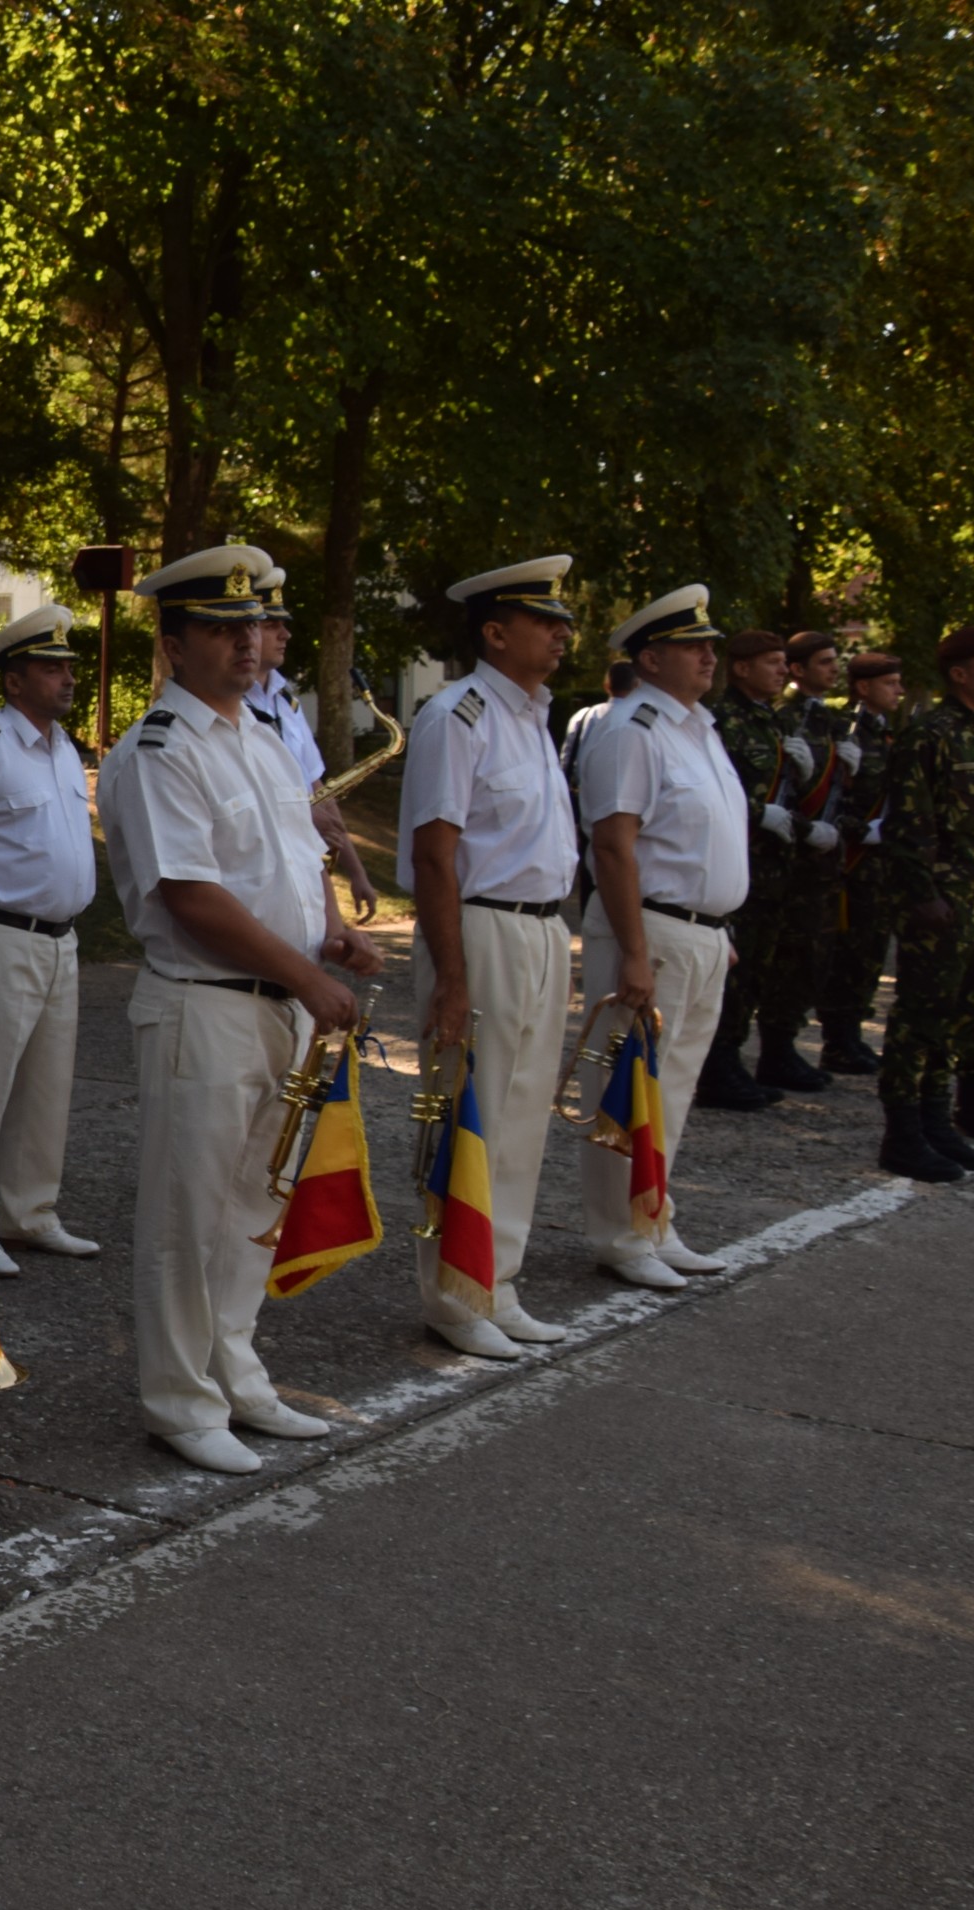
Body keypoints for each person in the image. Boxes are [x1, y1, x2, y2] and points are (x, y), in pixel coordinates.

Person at [96, 545, 381, 1477]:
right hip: (205, 1006)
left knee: (255, 1201)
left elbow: (295, 865)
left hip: (282, 1002)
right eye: (221, 629)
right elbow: (193, 897)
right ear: (174, 645)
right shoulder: (157, 750)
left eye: (254, 625)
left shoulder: (264, 735)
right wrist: (306, 978)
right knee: (191, 1211)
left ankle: (236, 1374)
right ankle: (180, 1400)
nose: (248, 643)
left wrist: (332, 933)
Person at [398, 557, 583, 1358]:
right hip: (484, 928)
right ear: (497, 632)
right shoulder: (459, 714)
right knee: (472, 1113)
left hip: (542, 928)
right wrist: (451, 976)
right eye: (545, 621)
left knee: (521, 1116)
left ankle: (497, 1283)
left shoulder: (534, 717)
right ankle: (453, 1295)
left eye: (562, 621)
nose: (562, 633)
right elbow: (436, 854)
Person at [571, 585, 748, 1284]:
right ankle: (619, 1236)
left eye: (710, 645)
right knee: (627, 1088)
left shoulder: (696, 726)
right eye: (692, 646)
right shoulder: (631, 729)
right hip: (652, 929)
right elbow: (614, 845)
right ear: (651, 657)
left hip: (700, 932)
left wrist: (717, 926)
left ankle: (652, 1218)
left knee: (671, 1088)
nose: (709, 656)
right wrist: (636, 952)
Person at [0, 601, 100, 1274]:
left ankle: (32, 1212)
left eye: (68, 667)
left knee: (47, 1087)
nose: (66, 679)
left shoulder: (64, 750)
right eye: (51, 667)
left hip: (61, 942)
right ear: (14, 680)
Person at [874, 625, 974, 1179]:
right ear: (960, 674)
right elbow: (907, 826)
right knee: (919, 1020)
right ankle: (903, 1134)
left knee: (957, 1018)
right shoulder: (929, 735)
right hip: (940, 907)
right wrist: (923, 896)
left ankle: (937, 1123)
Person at [704, 630, 820, 1106]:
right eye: (772, 662)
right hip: (741, 863)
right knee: (734, 971)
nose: (781, 670)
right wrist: (758, 813)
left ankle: (737, 1057)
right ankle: (717, 1066)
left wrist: (806, 777)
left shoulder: (772, 722)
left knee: (760, 968)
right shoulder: (723, 721)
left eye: (783, 662)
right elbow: (713, 794)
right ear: (742, 668)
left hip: (775, 870)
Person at [250, 565, 379, 919]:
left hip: (300, 872)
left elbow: (319, 792)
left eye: (283, 624)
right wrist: (301, 817)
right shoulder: (229, 707)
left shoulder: (286, 702)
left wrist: (356, 872)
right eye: (271, 625)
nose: (285, 634)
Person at [817, 651, 904, 1074]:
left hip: (883, 863)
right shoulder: (845, 731)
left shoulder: (891, 733)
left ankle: (851, 1032)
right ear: (864, 687)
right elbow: (830, 798)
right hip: (853, 860)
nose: (899, 691)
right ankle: (837, 1038)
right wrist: (861, 830)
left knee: (871, 951)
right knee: (849, 952)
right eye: (890, 683)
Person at [776, 630, 853, 1078]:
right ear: (798, 669)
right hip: (792, 860)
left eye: (834, 660)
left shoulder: (833, 721)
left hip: (826, 859)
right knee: (790, 956)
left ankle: (787, 1045)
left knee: (814, 957)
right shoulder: (787, 717)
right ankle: (776, 1047)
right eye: (824, 662)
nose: (833, 668)